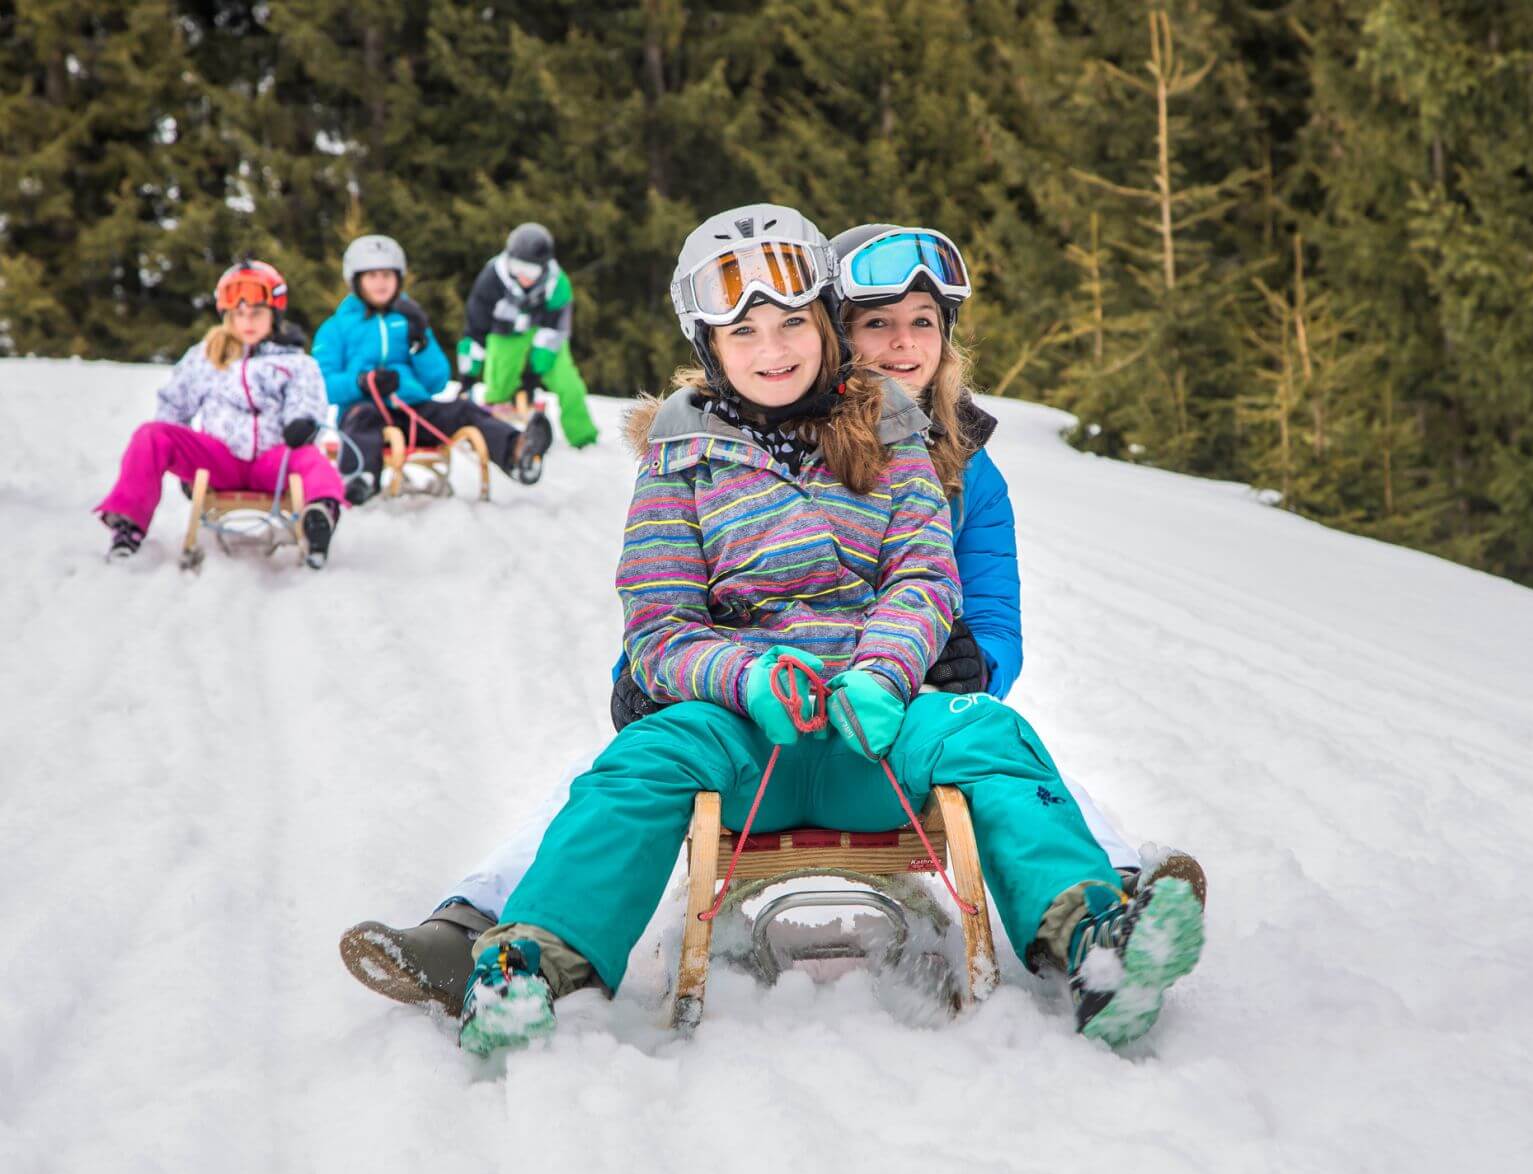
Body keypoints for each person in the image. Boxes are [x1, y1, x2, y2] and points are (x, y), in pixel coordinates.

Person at [338, 223, 1203, 1026]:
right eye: (743, 332)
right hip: (747, 732)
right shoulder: (684, 461)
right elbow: (660, 613)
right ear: (710, 346)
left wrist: (901, 669)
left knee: (996, 737)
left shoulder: (904, 444)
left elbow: (928, 580)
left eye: (790, 323)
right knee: (634, 764)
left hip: (887, 723)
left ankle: (1098, 941)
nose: (773, 348)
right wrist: (731, 677)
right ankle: (528, 958)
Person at [95, 259, 344, 568]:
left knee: (312, 459)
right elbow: (174, 405)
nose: (248, 321)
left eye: (257, 313)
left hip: (273, 463)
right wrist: (184, 461)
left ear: (274, 315)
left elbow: (307, 400)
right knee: (151, 435)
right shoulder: (205, 357)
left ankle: (319, 518)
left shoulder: (295, 363)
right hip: (220, 460)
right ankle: (127, 527)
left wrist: (302, 424)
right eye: (239, 314)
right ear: (227, 317)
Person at [313, 234, 552, 503]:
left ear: (399, 278)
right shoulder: (335, 328)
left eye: (387, 275)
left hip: (413, 411)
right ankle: (360, 479)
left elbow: (437, 380)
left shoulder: (409, 321)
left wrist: (420, 343)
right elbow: (321, 385)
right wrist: (361, 382)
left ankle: (518, 453)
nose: (381, 283)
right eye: (372, 276)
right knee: (362, 421)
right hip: (365, 411)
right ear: (356, 280)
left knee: (463, 409)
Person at [456, 222, 599, 448]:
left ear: (543, 267)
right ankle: (492, 430)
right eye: (517, 267)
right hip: (506, 335)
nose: (523, 276)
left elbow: (555, 331)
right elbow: (475, 330)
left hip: (546, 338)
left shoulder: (557, 284)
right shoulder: (492, 278)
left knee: (568, 383)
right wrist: (468, 375)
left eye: (530, 270)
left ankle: (583, 438)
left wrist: (532, 375)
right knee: (499, 380)